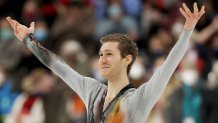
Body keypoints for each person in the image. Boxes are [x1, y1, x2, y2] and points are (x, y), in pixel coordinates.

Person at [6, 2, 205, 123]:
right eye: (101, 54)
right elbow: (58, 66)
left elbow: (168, 66)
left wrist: (187, 32)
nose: (102, 59)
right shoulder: (92, 90)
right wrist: (28, 41)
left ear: (127, 59)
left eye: (109, 54)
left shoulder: (138, 99)